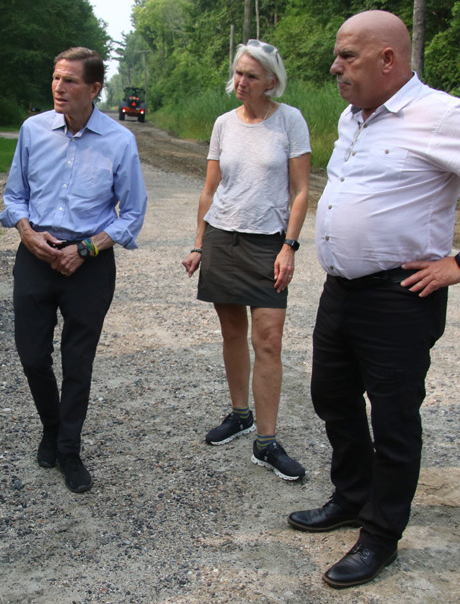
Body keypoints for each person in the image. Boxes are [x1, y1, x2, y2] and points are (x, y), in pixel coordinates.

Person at [289, 11, 460, 588]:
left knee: (395, 419)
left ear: (388, 60)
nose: (335, 66)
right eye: (337, 54)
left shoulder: (440, 114)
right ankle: (351, 497)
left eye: (347, 55)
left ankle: (380, 535)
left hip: (399, 297)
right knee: (332, 396)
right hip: (342, 290)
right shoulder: (355, 118)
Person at [0, 47, 148, 494]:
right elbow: (13, 196)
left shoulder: (119, 141)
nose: (59, 88)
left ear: (95, 89)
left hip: (89, 264)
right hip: (37, 254)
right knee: (32, 357)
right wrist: (26, 233)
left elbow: (132, 214)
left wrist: (86, 248)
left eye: (70, 81)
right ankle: (51, 427)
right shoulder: (32, 130)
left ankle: (69, 448)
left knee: (77, 362)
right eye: (56, 78)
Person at [181, 39, 311, 481]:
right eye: (238, 73)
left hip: (268, 242)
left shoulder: (290, 121)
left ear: (271, 82)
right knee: (232, 330)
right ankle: (241, 415)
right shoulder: (222, 124)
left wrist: (289, 246)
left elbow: (301, 191)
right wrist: (199, 243)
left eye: (251, 75)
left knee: (269, 339)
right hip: (223, 237)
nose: (241, 81)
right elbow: (209, 189)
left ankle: (267, 441)